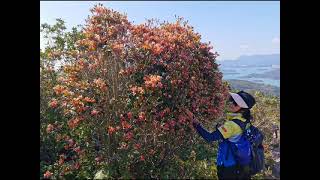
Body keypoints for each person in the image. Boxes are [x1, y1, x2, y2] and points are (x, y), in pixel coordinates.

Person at [184, 91, 256, 180]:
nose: (232, 104)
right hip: (240, 165)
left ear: (243, 109)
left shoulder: (232, 125)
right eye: (232, 100)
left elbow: (209, 137)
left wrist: (194, 121)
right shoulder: (245, 121)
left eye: (236, 103)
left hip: (228, 167)